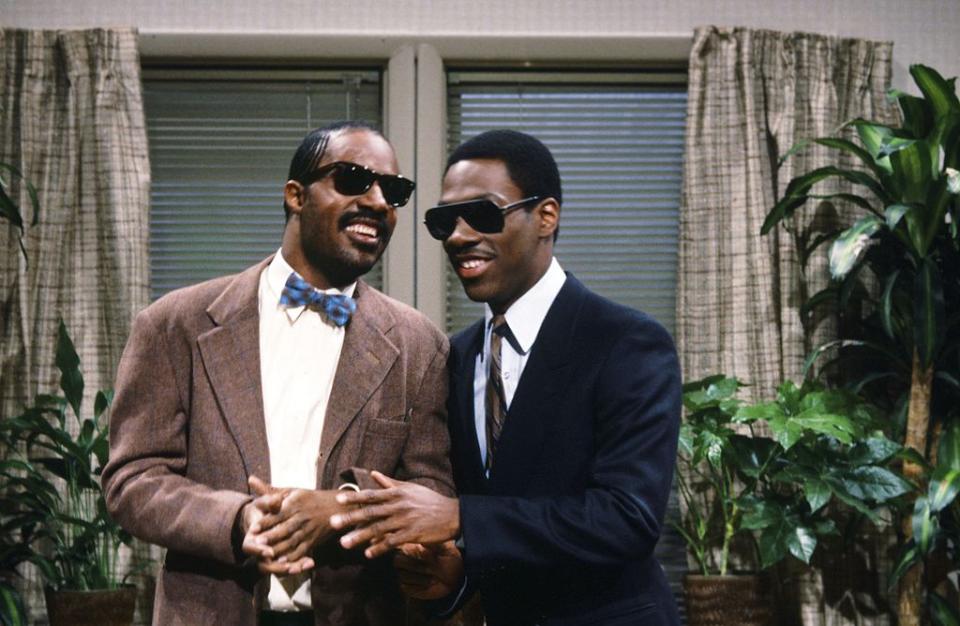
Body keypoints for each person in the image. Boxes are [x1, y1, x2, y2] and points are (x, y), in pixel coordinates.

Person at [102, 121, 454, 626]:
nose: (379, 202)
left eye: (393, 191)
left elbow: (432, 489)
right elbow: (132, 479)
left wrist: (342, 509)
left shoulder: (420, 345)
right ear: (295, 195)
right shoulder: (173, 324)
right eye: (354, 179)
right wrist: (237, 519)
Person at [330, 129, 682, 625]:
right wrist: (455, 575)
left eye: (482, 214)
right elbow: (504, 524)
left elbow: (627, 520)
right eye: (444, 220)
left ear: (546, 217)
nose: (457, 235)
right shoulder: (454, 356)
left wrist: (459, 518)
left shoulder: (626, 343)